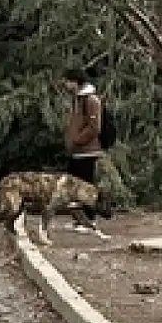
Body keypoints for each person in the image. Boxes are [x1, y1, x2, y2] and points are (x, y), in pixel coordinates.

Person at [61, 68, 105, 234]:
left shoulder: (91, 100)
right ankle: (78, 220)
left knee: (86, 186)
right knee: (73, 187)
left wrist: (77, 140)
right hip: (76, 152)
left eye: (67, 81)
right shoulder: (77, 99)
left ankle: (90, 220)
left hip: (87, 151)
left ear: (75, 81)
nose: (65, 84)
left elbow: (95, 127)